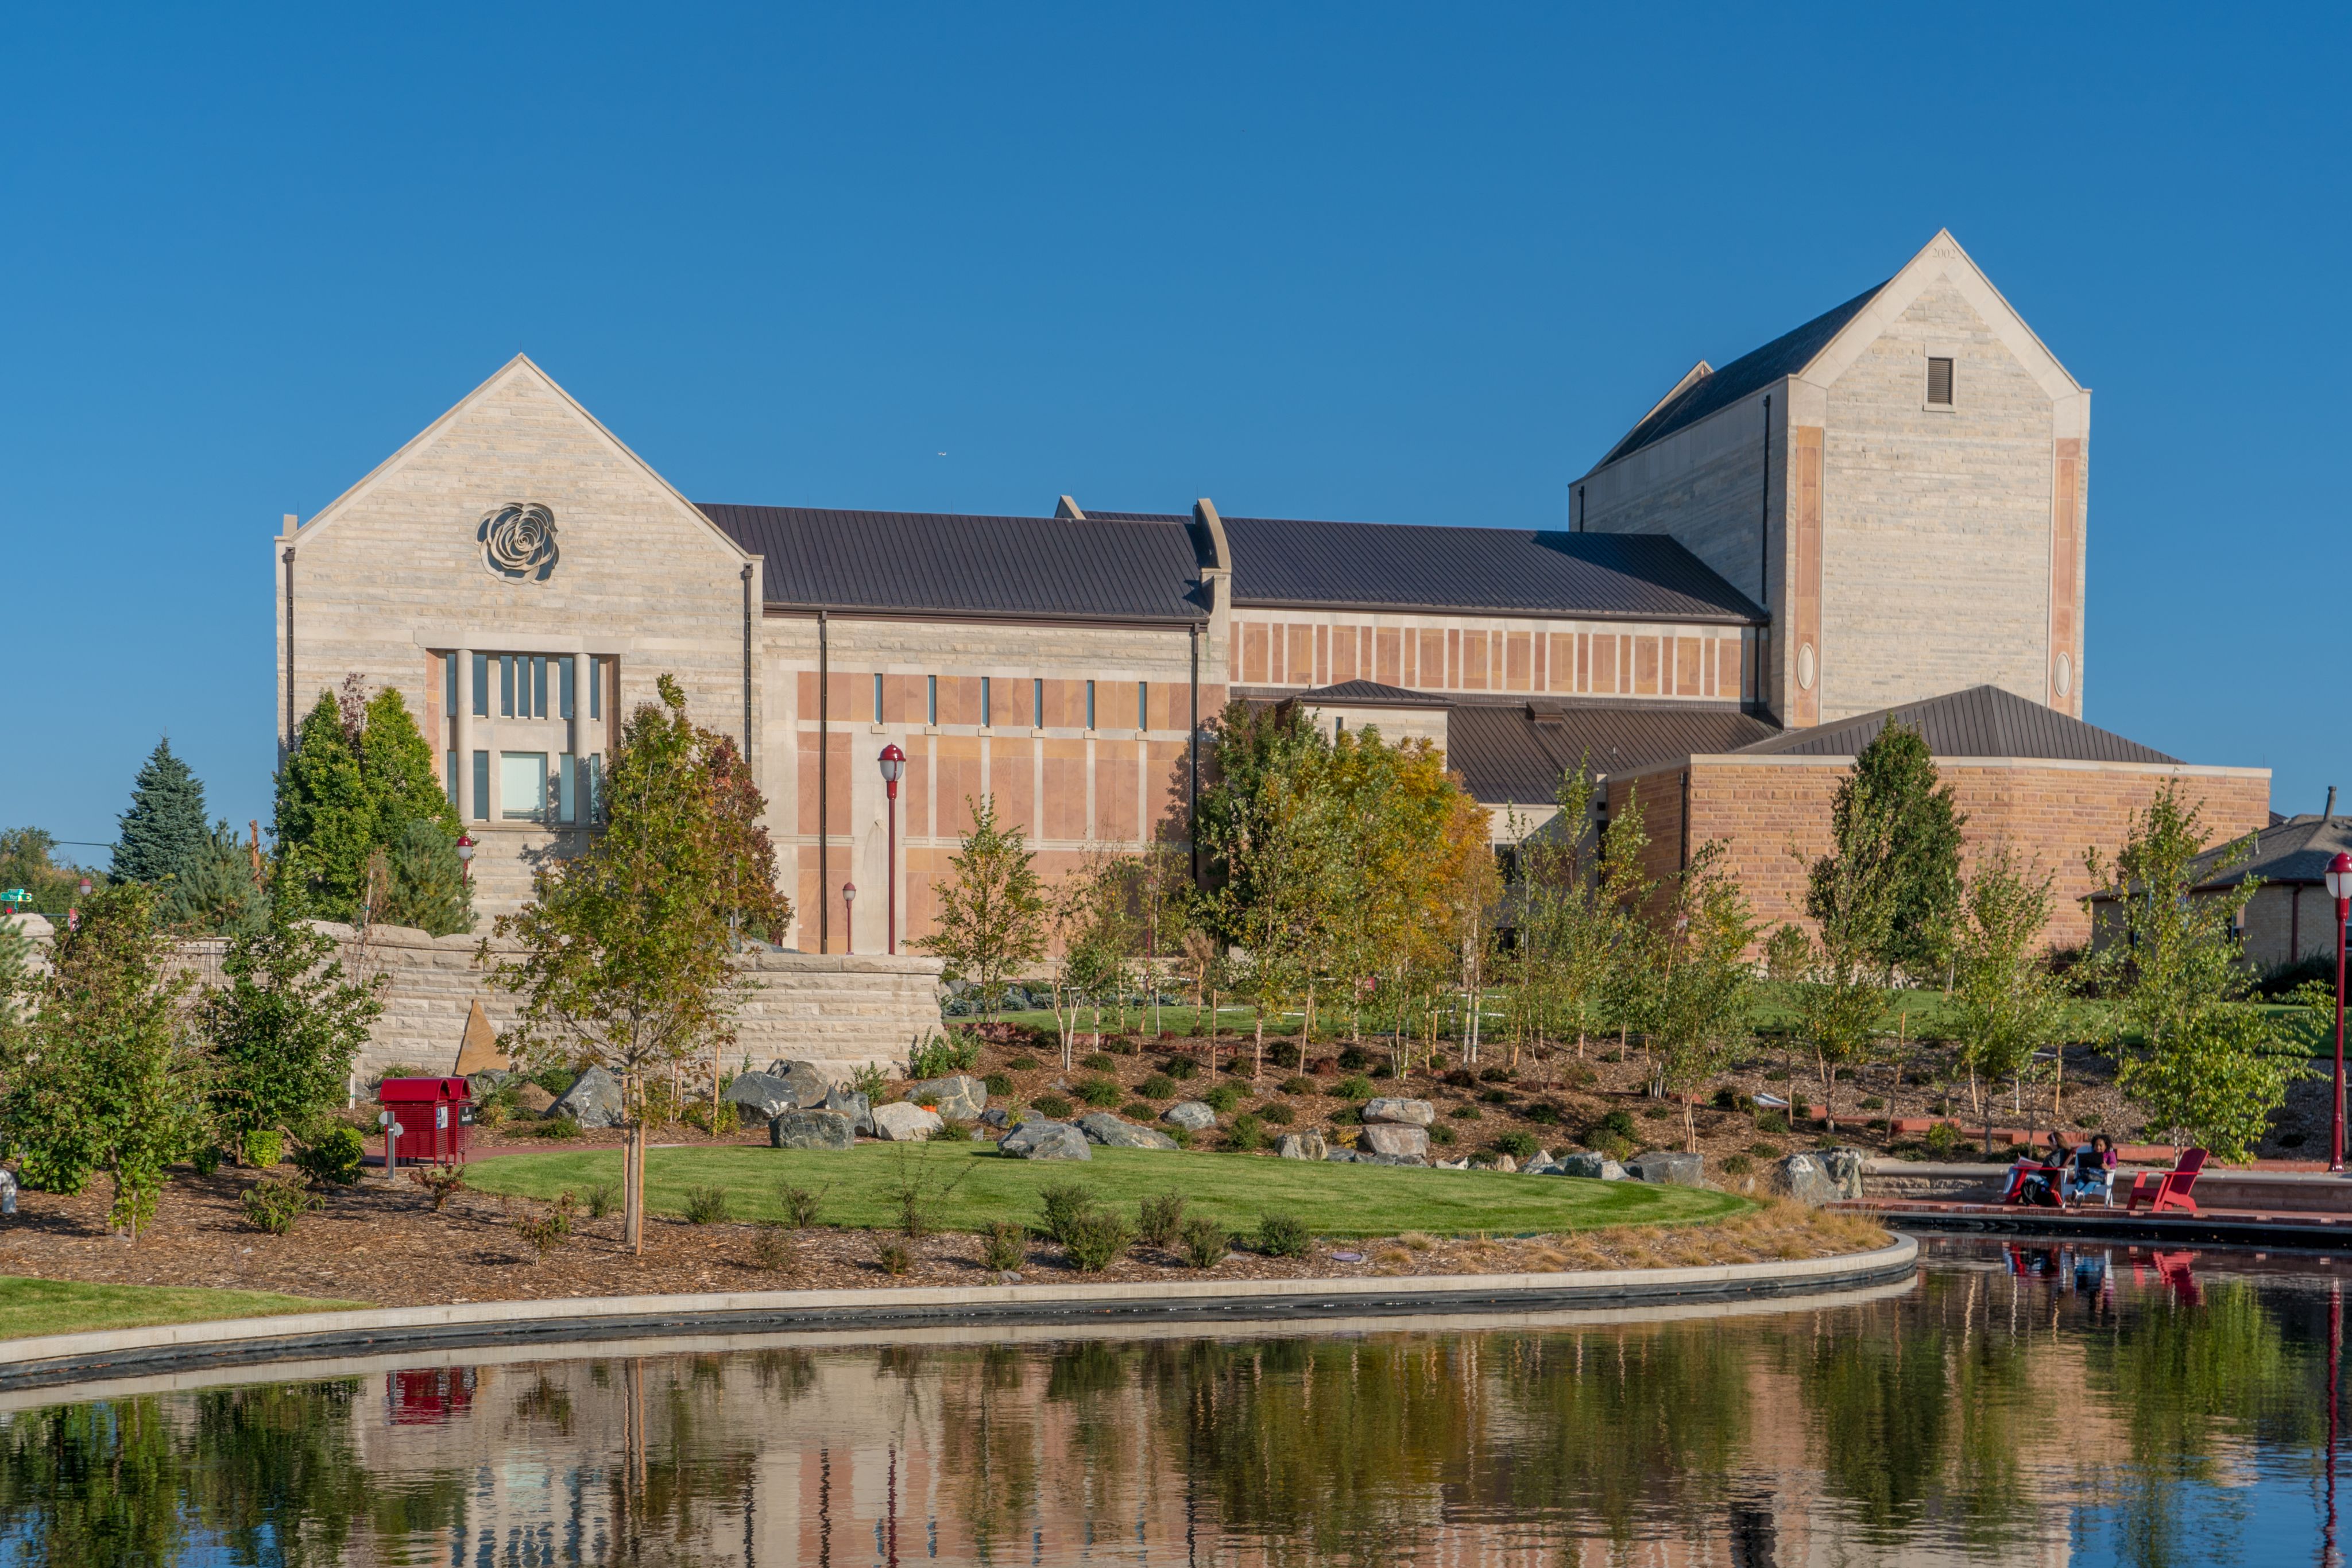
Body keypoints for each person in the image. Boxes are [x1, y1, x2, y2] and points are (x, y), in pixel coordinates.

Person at [2065, 1133, 2117, 1208]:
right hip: (2087, 1175)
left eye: (2100, 1146)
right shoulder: (2091, 1153)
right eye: (2096, 1145)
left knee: (2092, 1183)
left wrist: (2108, 1167)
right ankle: (2078, 1194)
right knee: (2081, 1181)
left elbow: (2114, 1165)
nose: (2098, 1148)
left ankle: (2080, 1194)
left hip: (2100, 1177)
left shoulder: (2110, 1154)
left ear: (2106, 1146)